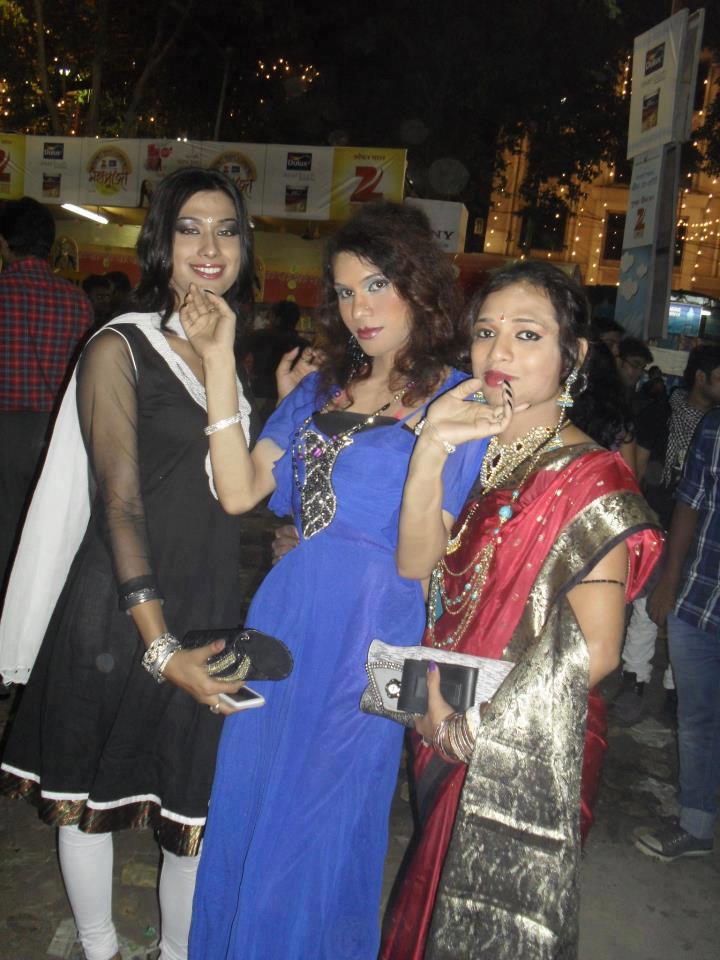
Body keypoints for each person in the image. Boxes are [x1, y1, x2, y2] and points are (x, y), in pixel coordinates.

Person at [186, 202, 489, 960]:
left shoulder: (461, 398)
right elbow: (239, 492)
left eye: (378, 285)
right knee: (256, 797)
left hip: (379, 631)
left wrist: (429, 448)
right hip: (287, 618)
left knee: (328, 816)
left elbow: (419, 561)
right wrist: (220, 360)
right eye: (347, 292)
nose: (361, 309)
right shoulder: (321, 387)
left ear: (418, 286)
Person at [0, 167, 256, 960]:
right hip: (120, 606)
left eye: (226, 229)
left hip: (207, 603)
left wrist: (225, 361)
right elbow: (119, 503)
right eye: (190, 228)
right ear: (161, 243)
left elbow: (231, 491)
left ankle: (176, 952)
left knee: (192, 807)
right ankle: (101, 947)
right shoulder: (120, 345)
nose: (210, 246)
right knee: (87, 798)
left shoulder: (227, 353)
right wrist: (158, 642)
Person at [380, 262, 663, 960]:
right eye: (485, 332)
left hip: (525, 744)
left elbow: (598, 652)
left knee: (490, 928)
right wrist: (432, 446)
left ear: (575, 355)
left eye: (527, 334)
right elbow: (417, 565)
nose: (498, 352)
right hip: (442, 709)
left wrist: (470, 729)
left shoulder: (593, 477)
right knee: (429, 908)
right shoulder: (477, 451)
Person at [615, 344, 720, 724]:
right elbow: (639, 471)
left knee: (685, 609)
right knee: (649, 604)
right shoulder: (662, 414)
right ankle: (635, 679)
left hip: (700, 533)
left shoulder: (712, 423)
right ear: (700, 378)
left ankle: (677, 689)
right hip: (658, 520)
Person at [637, 407, 720, 861]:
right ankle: (696, 825)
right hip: (700, 596)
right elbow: (689, 502)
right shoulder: (715, 425)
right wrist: (669, 582)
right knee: (696, 720)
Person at [0, 197, 93, 592]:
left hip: (4, 432)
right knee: (44, 535)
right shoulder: (78, 302)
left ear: (5, 242)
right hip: (57, 434)